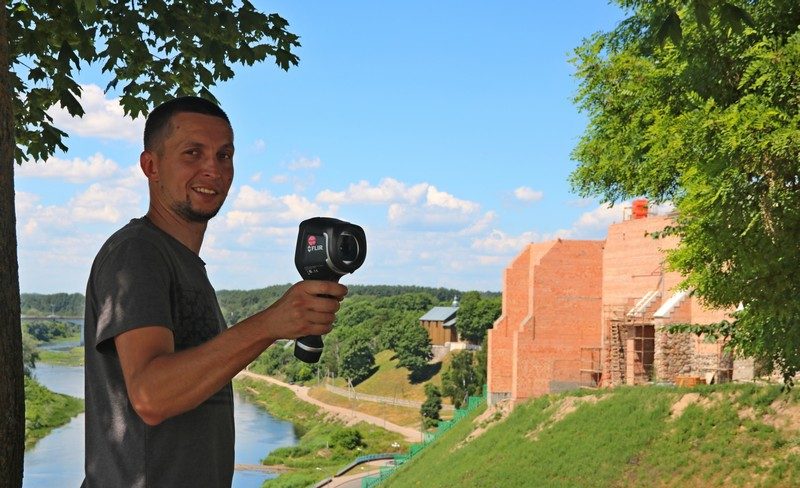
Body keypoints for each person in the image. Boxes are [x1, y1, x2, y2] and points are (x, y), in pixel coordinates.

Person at [81, 96, 347, 487]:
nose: (213, 169)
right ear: (150, 166)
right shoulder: (137, 253)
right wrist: (268, 325)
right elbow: (151, 397)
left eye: (225, 156)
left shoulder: (183, 263)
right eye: (193, 153)